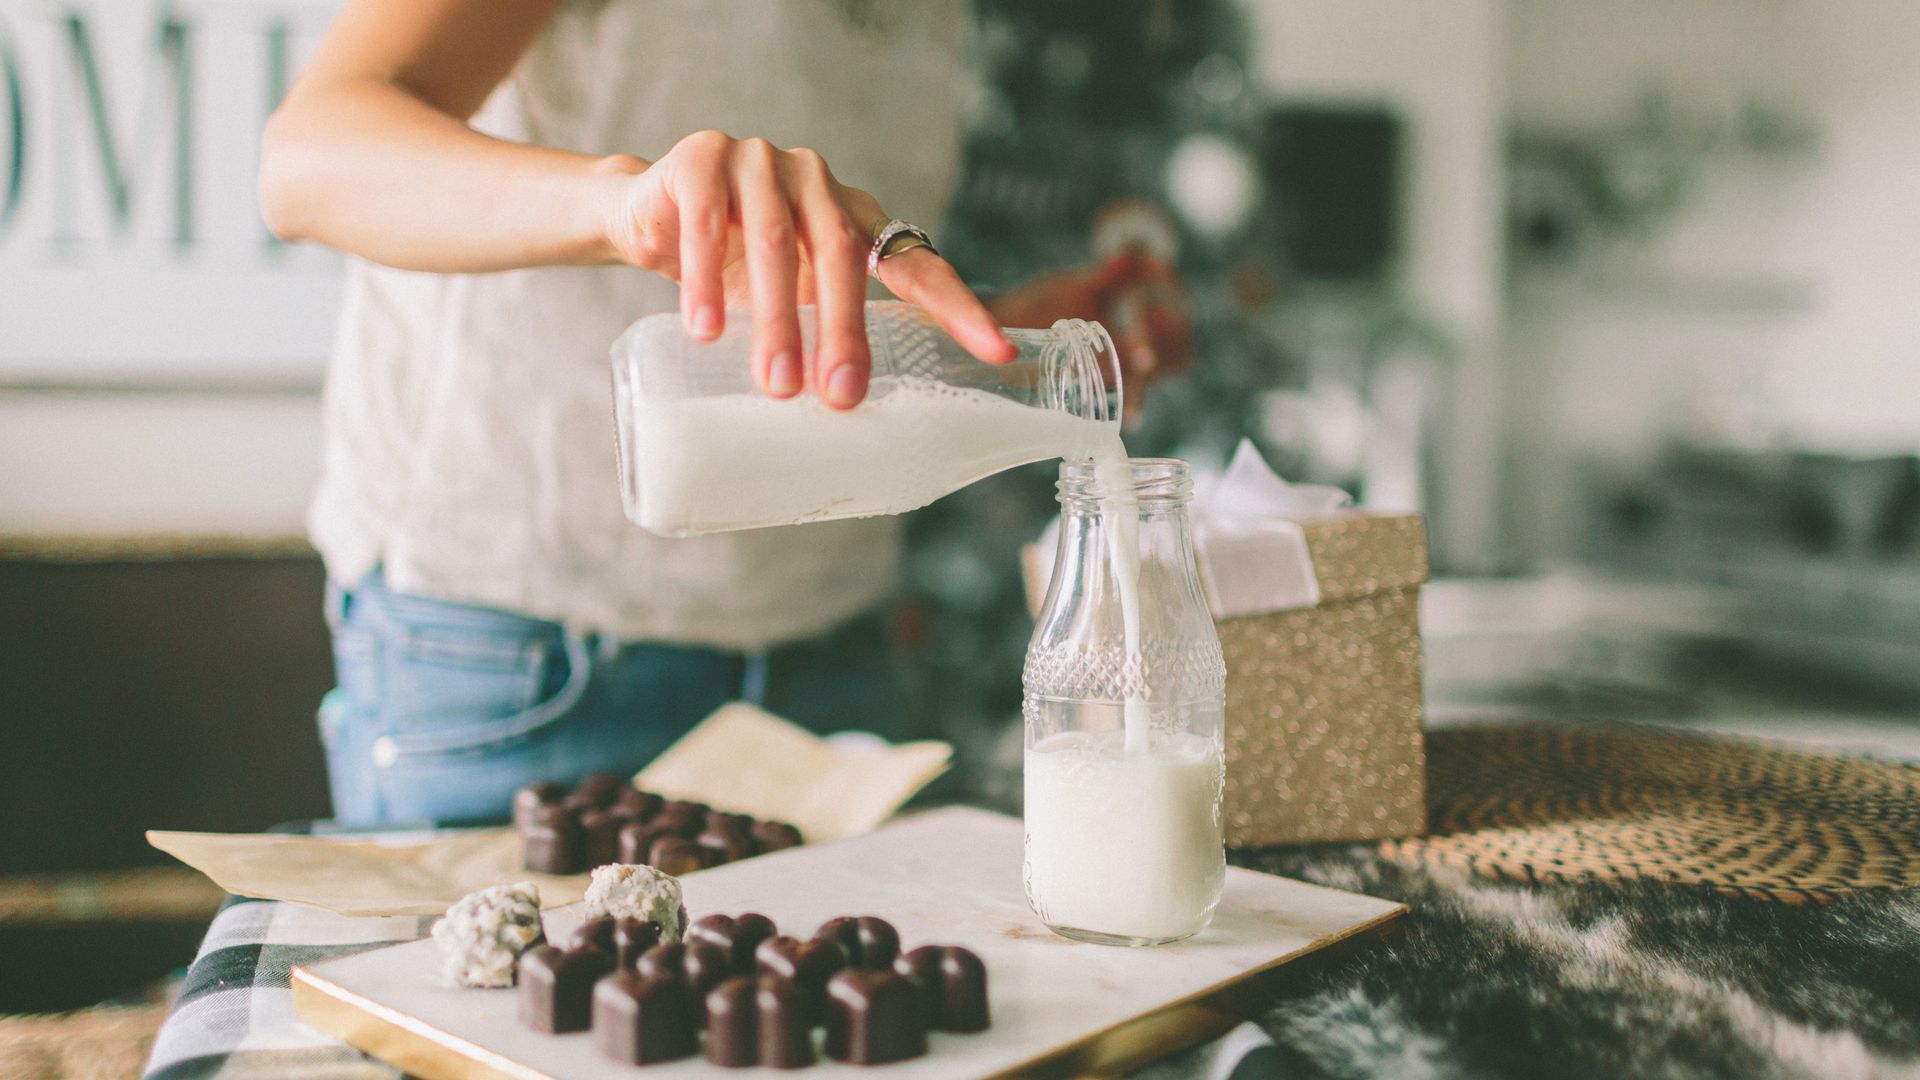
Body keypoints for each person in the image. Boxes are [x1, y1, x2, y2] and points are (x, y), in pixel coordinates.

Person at [259, 0, 1187, 827]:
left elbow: (809, 306)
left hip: (829, 641)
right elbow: (309, 160)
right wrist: (623, 205)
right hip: (520, 655)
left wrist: (993, 338)